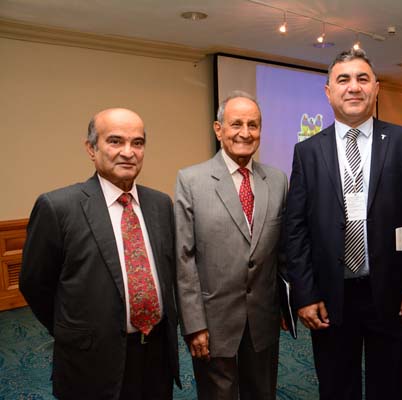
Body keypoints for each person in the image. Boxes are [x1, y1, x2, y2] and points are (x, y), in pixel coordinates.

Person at [285, 49, 402, 399]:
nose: (353, 87)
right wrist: (305, 294)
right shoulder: (307, 152)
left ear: (376, 88)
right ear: (329, 92)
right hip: (331, 297)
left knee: (392, 387)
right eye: (343, 79)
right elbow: (296, 230)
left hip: (395, 294)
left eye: (362, 79)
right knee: (337, 387)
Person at [20, 108, 181, 399]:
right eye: (115, 141)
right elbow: (35, 284)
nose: (128, 152)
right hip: (91, 360)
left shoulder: (160, 204)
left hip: (156, 355)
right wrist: (73, 331)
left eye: (137, 143)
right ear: (91, 149)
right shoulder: (58, 207)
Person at [174, 91, 287, 400]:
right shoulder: (191, 181)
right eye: (236, 124)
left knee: (262, 393)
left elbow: (281, 252)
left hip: (263, 319)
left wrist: (286, 306)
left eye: (253, 125)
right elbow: (183, 259)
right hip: (213, 321)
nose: (245, 133)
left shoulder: (278, 180)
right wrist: (194, 324)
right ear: (218, 129)